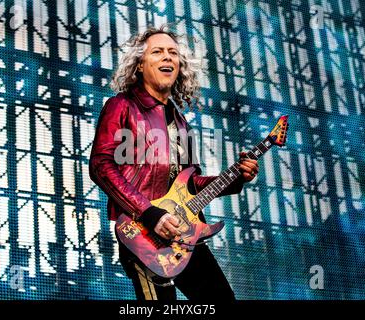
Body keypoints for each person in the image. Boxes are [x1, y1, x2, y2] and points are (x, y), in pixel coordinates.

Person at [89, 26, 259, 300]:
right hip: (144, 235)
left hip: (185, 235)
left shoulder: (180, 123)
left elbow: (191, 185)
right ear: (139, 64)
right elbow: (101, 166)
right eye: (157, 52)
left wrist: (236, 177)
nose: (168, 57)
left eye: (173, 53)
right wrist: (150, 213)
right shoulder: (121, 106)